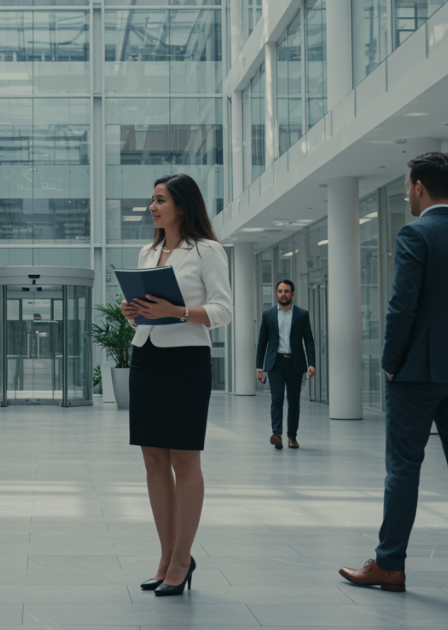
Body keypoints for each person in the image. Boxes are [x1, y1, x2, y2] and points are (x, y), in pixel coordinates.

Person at [339, 152, 448, 594]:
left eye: (408, 186)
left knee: (404, 467)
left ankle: (389, 564)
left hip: (417, 371)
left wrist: (390, 362)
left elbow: (401, 305)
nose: (407, 193)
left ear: (419, 186)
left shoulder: (415, 233)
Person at [120, 174, 233, 596]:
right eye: (151, 200)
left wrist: (177, 310)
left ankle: (183, 560)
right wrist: (133, 312)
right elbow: (145, 316)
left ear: (182, 205)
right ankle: (167, 556)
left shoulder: (207, 250)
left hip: (186, 361)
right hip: (146, 356)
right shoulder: (147, 252)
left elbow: (223, 310)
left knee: (184, 461)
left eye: (160, 200)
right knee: (153, 460)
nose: (152, 207)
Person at [255, 279, 316, 449]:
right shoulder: (268, 315)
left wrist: (311, 363)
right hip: (276, 363)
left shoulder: (302, 314)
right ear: (276, 293)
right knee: (277, 398)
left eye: (286, 291)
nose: (283, 294)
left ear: (292, 294)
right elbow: (262, 342)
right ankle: (277, 434)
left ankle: (292, 437)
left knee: (294, 401)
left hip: (295, 363)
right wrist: (259, 367)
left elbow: (309, 340)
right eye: (280, 291)